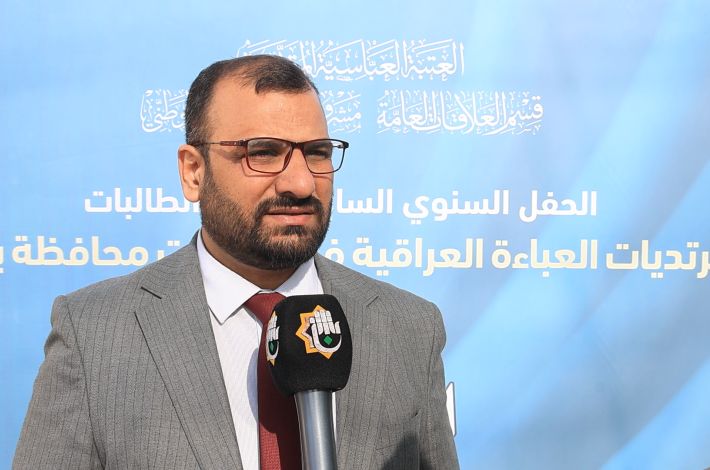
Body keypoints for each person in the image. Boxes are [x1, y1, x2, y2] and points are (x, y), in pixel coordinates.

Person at [14, 55, 459, 470]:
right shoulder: (94, 333)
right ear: (194, 171)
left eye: (318, 152)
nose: (301, 183)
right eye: (263, 152)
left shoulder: (409, 329)